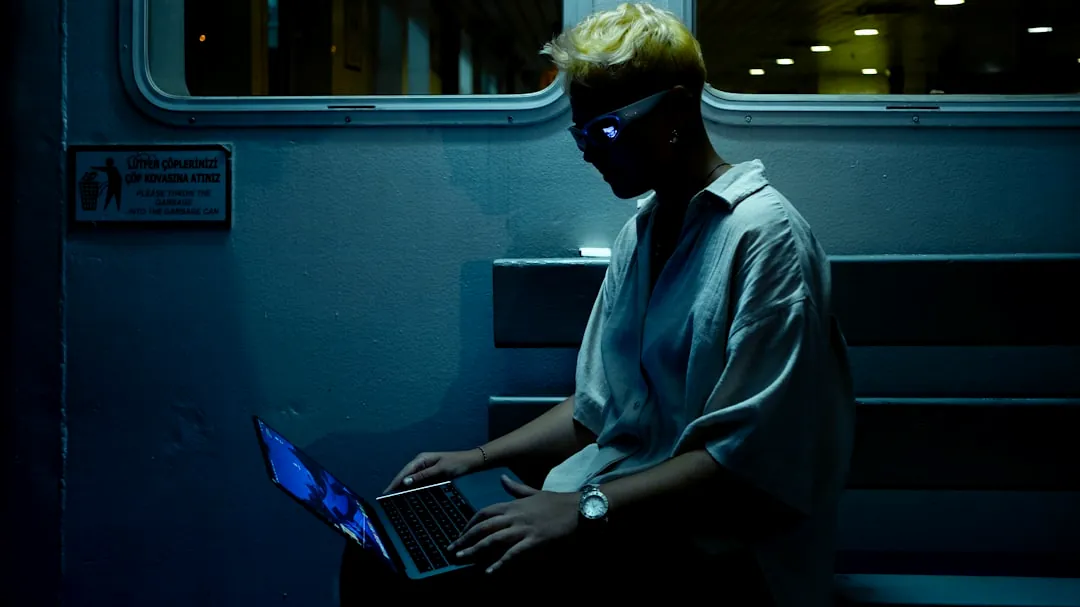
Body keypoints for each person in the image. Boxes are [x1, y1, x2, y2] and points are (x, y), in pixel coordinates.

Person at [346, 4, 855, 605]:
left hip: (716, 550)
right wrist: (473, 459)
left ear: (674, 110)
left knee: (418, 580)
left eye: (604, 130)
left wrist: (582, 510)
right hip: (612, 509)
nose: (588, 151)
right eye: (578, 133)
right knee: (379, 546)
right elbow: (597, 409)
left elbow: (741, 462)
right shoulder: (643, 232)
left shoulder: (766, 239)